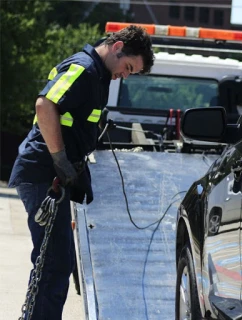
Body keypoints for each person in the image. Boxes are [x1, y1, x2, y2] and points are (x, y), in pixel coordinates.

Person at [8, 25, 154, 319]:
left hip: (52, 176)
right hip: (42, 174)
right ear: (117, 47)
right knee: (54, 261)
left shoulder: (99, 77)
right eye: (127, 67)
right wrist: (60, 160)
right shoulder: (83, 69)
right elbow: (45, 105)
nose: (125, 75)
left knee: (57, 260)